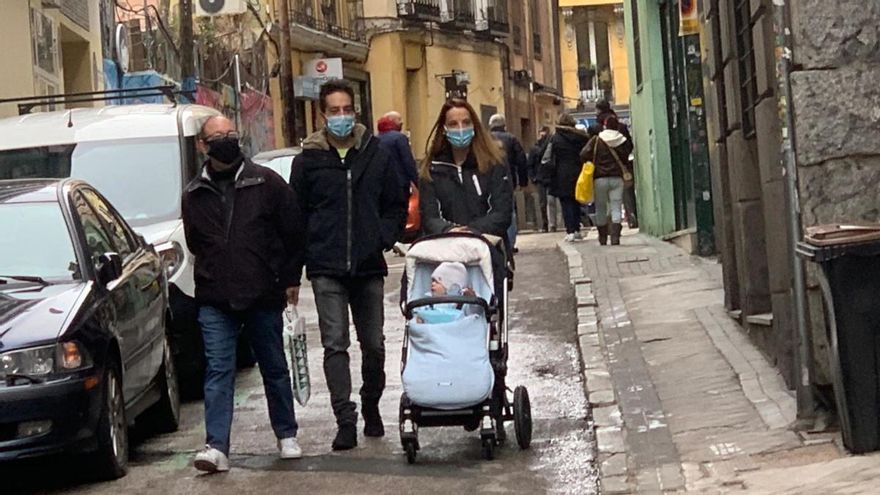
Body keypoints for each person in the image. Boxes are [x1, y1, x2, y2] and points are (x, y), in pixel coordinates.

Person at [289, 79, 407, 451]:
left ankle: (372, 403)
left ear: (356, 111)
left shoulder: (376, 154)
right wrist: (296, 268)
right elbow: (296, 216)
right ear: (323, 115)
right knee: (334, 345)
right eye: (334, 111)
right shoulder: (308, 161)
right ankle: (345, 419)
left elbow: (396, 201)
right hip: (326, 267)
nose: (341, 117)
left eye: (347, 110)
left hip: (369, 265)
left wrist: (383, 236)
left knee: (373, 344)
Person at [182, 116, 303, 473]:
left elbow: (293, 231)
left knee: (274, 367)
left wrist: (288, 278)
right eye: (217, 137)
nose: (225, 141)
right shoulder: (193, 194)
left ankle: (286, 434)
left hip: (263, 293)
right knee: (219, 369)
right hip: (215, 298)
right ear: (203, 145)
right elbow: (195, 243)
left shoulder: (267, 182)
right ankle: (216, 446)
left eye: (230, 134)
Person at [418, 98, 513, 294]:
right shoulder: (432, 169)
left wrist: (470, 232)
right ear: (444, 129)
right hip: (443, 251)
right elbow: (429, 215)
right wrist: (449, 231)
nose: (460, 128)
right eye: (453, 124)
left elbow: (502, 212)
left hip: (485, 248)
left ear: (474, 126)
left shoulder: (494, 163)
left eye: (466, 122)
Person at [580, 116, 634, 245]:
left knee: (600, 207)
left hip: (599, 179)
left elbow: (583, 154)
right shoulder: (623, 140)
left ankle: (602, 237)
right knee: (616, 207)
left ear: (604, 125)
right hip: (617, 178)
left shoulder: (596, 140)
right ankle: (615, 237)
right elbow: (628, 154)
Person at [541, 113, 591, 242]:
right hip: (579, 172)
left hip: (561, 174)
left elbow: (547, 156)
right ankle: (577, 229)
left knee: (566, 203)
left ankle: (571, 230)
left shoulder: (555, 138)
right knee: (576, 201)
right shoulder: (581, 137)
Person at [489, 114, 527, 253]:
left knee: (491, 211)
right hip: (507, 180)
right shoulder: (511, 139)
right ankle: (510, 244)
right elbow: (521, 160)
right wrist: (523, 181)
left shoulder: (485, 140)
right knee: (509, 212)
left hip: (488, 182)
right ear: (504, 125)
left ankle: (495, 243)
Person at [376, 111, 418, 197]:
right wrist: (418, 182)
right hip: (400, 185)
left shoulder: (376, 139)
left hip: (382, 185)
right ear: (391, 120)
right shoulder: (400, 138)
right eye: (399, 119)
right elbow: (408, 162)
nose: (402, 122)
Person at [529, 126, 552, 232]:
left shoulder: (536, 147)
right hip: (543, 177)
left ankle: (548, 224)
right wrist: (533, 177)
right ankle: (546, 224)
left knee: (547, 202)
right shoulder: (535, 148)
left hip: (545, 177)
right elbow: (530, 164)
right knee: (544, 202)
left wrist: (533, 177)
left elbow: (530, 164)